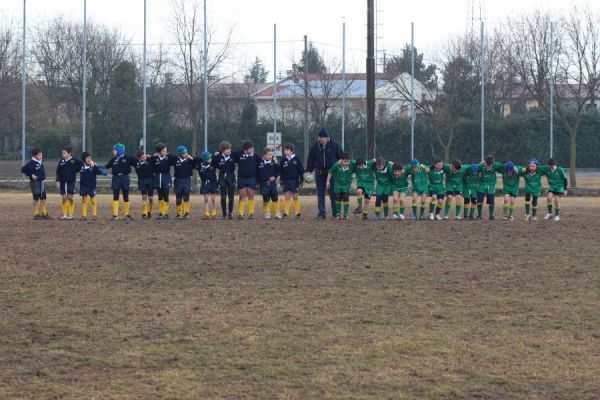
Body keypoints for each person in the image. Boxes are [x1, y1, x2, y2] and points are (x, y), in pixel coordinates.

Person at [305, 128, 343, 218]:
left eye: (321, 137)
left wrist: (339, 168)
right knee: (320, 193)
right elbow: (310, 160)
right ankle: (322, 213)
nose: (320, 139)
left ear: (327, 137)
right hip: (320, 173)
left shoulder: (335, 145)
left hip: (333, 173)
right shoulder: (315, 147)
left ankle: (336, 213)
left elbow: (342, 157)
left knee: (334, 193)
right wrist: (308, 171)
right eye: (319, 137)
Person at [105, 143, 138, 220]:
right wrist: (95, 165)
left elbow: (137, 162)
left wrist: (146, 157)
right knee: (115, 196)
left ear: (119, 151)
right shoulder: (113, 159)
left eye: (114, 150)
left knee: (126, 196)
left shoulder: (128, 158)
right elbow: (106, 166)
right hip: (116, 178)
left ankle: (126, 215)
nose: (113, 151)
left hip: (125, 178)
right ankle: (115, 215)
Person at [149, 143, 178, 219]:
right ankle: (161, 212)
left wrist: (169, 154)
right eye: (163, 151)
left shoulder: (169, 158)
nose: (165, 152)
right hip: (158, 178)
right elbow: (150, 162)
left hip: (166, 178)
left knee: (166, 195)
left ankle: (165, 212)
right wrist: (153, 156)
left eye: (166, 150)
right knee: (160, 196)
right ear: (159, 152)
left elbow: (176, 159)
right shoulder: (155, 158)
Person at [233, 140, 260, 219]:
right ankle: (240, 213)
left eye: (252, 149)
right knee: (242, 195)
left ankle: (251, 213)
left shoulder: (256, 156)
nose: (252, 150)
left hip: (252, 178)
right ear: (245, 150)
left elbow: (262, 163)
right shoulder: (239, 154)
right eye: (250, 149)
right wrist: (218, 153)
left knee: (251, 195)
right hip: (242, 178)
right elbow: (229, 153)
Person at [21, 147, 50, 219]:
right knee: (36, 198)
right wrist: (31, 175)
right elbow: (23, 169)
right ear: (34, 156)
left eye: (41, 155)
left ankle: (43, 213)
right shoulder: (32, 163)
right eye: (39, 155)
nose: (41, 156)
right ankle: (36, 214)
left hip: (41, 182)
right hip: (35, 183)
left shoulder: (40, 162)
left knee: (43, 197)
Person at [55, 146, 84, 220]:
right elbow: (58, 171)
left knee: (70, 198)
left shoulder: (74, 160)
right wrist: (57, 181)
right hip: (63, 182)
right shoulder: (61, 161)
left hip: (71, 182)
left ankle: (70, 215)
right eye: (62, 153)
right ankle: (64, 215)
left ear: (69, 153)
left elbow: (81, 164)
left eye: (64, 153)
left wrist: (77, 170)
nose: (63, 154)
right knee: (64, 198)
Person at [279, 143, 304, 218]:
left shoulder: (297, 159)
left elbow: (301, 171)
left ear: (292, 151)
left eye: (287, 150)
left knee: (295, 196)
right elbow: (281, 172)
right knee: (287, 196)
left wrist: (301, 180)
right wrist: (281, 181)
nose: (285, 151)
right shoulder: (283, 160)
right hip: (286, 181)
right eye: (284, 150)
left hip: (295, 180)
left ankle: (297, 213)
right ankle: (286, 213)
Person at [79, 152, 105, 220]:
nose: (89, 159)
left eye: (90, 158)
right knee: (84, 201)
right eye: (87, 158)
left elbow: (99, 172)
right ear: (84, 159)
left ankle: (94, 215)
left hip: (91, 186)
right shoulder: (81, 166)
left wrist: (94, 166)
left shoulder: (93, 166)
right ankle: (84, 215)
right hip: (83, 186)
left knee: (93, 200)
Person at [327, 153, 353, 219]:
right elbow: (330, 172)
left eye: (348, 161)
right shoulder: (336, 165)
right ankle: (338, 214)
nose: (346, 163)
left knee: (345, 197)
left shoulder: (352, 165)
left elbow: (360, 162)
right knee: (338, 197)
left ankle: (346, 214)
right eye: (345, 161)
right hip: (338, 185)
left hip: (346, 185)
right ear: (341, 160)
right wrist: (328, 182)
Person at [213, 141, 236, 219]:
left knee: (231, 197)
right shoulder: (217, 157)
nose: (230, 150)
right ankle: (224, 214)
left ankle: (230, 213)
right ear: (223, 150)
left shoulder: (233, 155)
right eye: (228, 149)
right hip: (222, 177)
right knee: (223, 196)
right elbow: (211, 164)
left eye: (230, 149)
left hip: (231, 177)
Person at [476, 155, 503, 220]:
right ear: (485, 162)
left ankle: (491, 215)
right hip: (482, 184)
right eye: (487, 165)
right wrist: (480, 164)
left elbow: (503, 164)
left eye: (490, 165)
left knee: (491, 200)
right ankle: (479, 215)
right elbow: (474, 167)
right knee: (479, 200)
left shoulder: (495, 165)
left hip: (491, 184)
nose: (489, 166)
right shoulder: (481, 166)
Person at [258, 147, 282, 220]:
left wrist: (274, 176)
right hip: (264, 183)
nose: (270, 156)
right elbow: (260, 173)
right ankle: (267, 213)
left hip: (272, 183)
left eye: (271, 154)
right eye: (269, 155)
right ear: (264, 155)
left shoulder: (274, 163)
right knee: (266, 198)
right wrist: (267, 178)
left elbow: (278, 171)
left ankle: (277, 213)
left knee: (275, 197)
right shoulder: (260, 163)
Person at [173, 145, 195, 220]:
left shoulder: (189, 160)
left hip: (187, 180)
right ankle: (179, 213)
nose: (186, 154)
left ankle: (186, 213)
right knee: (178, 197)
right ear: (179, 154)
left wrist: (192, 159)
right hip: (178, 180)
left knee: (186, 196)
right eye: (184, 153)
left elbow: (196, 163)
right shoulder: (175, 159)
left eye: (186, 152)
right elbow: (168, 157)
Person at [198, 151, 218, 220]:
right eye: (209, 158)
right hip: (205, 183)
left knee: (213, 199)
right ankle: (206, 214)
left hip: (213, 183)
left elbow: (216, 158)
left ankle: (214, 213)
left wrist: (216, 155)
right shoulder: (200, 165)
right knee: (206, 199)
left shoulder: (213, 164)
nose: (211, 159)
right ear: (206, 159)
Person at [135, 150, 155, 219]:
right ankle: (144, 213)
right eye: (142, 157)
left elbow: (155, 158)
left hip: (150, 180)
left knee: (150, 198)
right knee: (144, 197)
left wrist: (151, 156)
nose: (144, 157)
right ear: (139, 158)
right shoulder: (136, 163)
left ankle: (149, 211)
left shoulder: (150, 160)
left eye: (144, 155)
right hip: (142, 181)